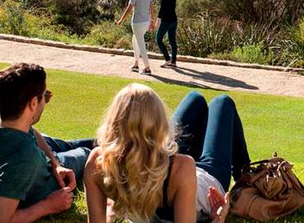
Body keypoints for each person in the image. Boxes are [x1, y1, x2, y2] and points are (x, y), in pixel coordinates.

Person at [84, 85, 251, 223]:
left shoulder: (97, 161)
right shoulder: (183, 166)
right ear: (158, 123)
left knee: (195, 99)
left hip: (166, 166)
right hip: (205, 181)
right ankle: (247, 179)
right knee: (222, 102)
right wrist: (219, 218)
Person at [0, 63, 95, 223]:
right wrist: (48, 205)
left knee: (68, 144)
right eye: (45, 96)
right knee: (88, 153)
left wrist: (55, 164)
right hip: (42, 178)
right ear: (33, 103)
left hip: (44, 160)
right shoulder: (21, 160)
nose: (45, 101)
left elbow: (29, 130)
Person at [117, 0, 156, 74]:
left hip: (137, 24)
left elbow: (128, 10)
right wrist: (152, 22)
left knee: (141, 45)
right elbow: (152, 10)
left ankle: (147, 68)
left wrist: (121, 20)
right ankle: (136, 64)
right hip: (146, 23)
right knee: (135, 41)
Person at [155, 0, 178, 68]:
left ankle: (167, 59)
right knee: (172, 41)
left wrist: (157, 21)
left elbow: (162, 9)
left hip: (166, 21)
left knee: (158, 39)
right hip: (174, 20)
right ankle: (173, 62)